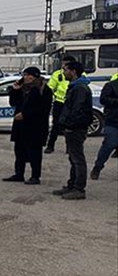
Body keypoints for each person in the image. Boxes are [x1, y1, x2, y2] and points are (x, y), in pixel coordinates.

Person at [3, 66, 53, 185]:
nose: (26, 77)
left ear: (35, 76)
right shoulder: (23, 88)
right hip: (21, 126)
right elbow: (13, 103)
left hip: (35, 126)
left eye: (28, 75)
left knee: (34, 152)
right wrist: (14, 90)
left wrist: (25, 114)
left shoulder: (43, 89)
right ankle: (19, 174)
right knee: (19, 151)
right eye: (24, 75)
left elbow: (43, 109)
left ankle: (35, 176)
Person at [53, 61, 92, 200]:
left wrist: (69, 124)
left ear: (73, 71)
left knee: (77, 158)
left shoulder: (80, 88)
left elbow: (77, 109)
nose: (63, 73)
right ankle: (72, 185)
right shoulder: (75, 86)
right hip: (72, 126)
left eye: (65, 70)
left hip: (76, 127)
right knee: (72, 157)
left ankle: (79, 189)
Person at [91, 72, 118, 180]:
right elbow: (104, 100)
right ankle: (98, 167)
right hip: (114, 121)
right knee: (109, 144)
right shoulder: (111, 85)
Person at [44, 55, 73, 154]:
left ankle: (69, 147)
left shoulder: (80, 74)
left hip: (71, 104)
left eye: (66, 64)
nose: (63, 66)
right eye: (63, 63)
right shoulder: (57, 74)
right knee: (56, 126)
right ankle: (50, 146)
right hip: (59, 103)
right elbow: (50, 87)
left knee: (70, 126)